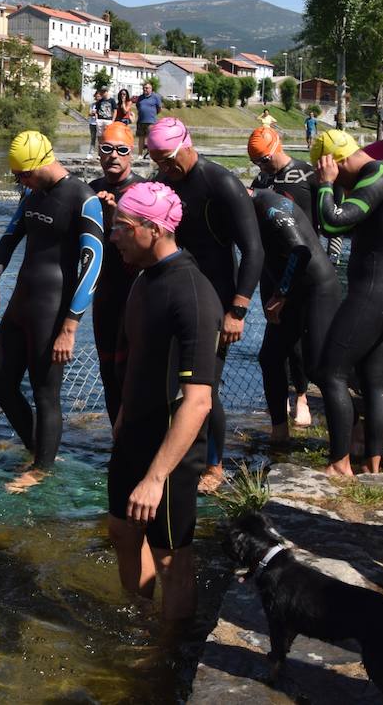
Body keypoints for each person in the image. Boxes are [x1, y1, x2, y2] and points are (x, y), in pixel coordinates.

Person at [106, 181, 220, 622]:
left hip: (170, 450)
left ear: (153, 230)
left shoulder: (192, 294)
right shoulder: (144, 279)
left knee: (172, 557)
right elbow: (137, 359)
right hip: (134, 430)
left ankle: (166, 657)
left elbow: (198, 403)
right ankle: (139, 619)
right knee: (121, 530)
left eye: (122, 227)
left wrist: (156, 478)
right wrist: (122, 418)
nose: (113, 235)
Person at [0, 130, 104, 491]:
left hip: (54, 310)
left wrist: (71, 325)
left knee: (45, 393)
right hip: (21, 303)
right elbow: (9, 237)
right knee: (0, 384)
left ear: (42, 163)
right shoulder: (32, 194)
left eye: (24, 175)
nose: (21, 182)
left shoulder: (84, 199)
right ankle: (39, 449)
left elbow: (92, 264)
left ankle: (41, 469)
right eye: (18, 177)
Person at [148, 117, 264, 492]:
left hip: (217, 296)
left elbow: (254, 250)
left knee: (205, 385)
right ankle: (171, 452)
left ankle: (214, 466)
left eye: (168, 158)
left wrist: (238, 309)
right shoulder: (164, 182)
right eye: (157, 161)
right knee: (166, 378)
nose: (164, 167)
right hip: (178, 292)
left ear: (186, 144)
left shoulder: (220, 182)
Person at [314, 129, 383, 477]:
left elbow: (331, 222)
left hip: (375, 294)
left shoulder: (376, 181)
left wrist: (326, 185)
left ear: (337, 162)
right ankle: (373, 465)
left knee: (331, 372)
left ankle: (340, 462)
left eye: (326, 168)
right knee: (374, 380)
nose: (329, 176)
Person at [249, 126, 324, 426]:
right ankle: (280, 401)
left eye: (265, 159)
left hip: (304, 265)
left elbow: (325, 220)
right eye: (257, 162)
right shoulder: (261, 181)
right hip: (272, 268)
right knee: (277, 339)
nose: (263, 167)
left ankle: (302, 396)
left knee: (301, 339)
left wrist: (328, 258)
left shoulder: (306, 175)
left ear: (278, 145)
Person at [251, 186, 339, 441]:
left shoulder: (271, 208)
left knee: (319, 368)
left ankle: (352, 434)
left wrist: (280, 295)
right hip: (288, 289)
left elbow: (300, 251)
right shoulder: (247, 209)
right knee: (270, 358)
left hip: (316, 289)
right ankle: (279, 431)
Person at [88, 122, 145, 424]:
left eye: (121, 150)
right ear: (98, 152)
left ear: (131, 153)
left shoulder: (142, 192)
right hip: (105, 295)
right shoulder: (92, 190)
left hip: (136, 293)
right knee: (108, 372)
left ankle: (140, 439)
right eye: (107, 149)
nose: (114, 156)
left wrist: (114, 220)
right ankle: (118, 440)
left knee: (133, 373)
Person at [135, 81, 162, 157]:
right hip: (141, 121)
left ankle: (151, 155)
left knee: (151, 139)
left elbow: (159, 108)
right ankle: (140, 154)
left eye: (146, 88)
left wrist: (152, 114)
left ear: (151, 89)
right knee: (141, 138)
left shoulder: (156, 97)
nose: (145, 89)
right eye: (144, 88)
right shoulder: (140, 97)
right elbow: (138, 106)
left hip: (151, 121)